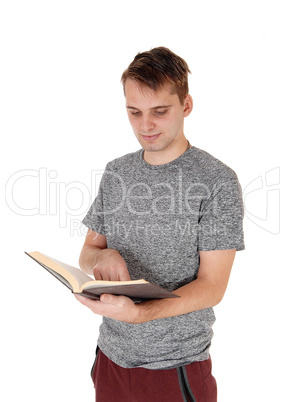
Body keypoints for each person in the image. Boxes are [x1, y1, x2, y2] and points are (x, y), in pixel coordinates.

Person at [75, 47, 245, 402]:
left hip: (176, 368)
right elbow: (89, 251)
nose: (145, 125)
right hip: (110, 360)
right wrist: (101, 259)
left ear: (186, 106)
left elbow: (212, 286)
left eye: (160, 112)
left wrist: (140, 315)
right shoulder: (116, 172)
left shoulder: (217, 181)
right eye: (134, 112)